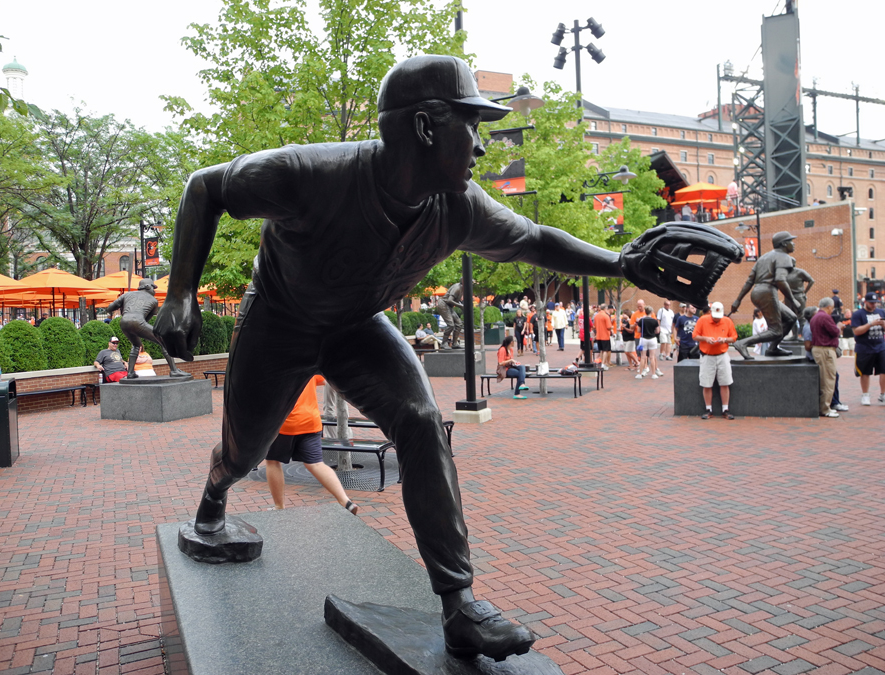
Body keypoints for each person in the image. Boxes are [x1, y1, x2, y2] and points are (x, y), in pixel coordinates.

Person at [153, 54, 735, 662]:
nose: (481, 148)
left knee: (424, 421)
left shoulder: (459, 204)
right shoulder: (311, 172)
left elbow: (534, 239)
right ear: (428, 126)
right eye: (472, 126)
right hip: (280, 321)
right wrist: (180, 295)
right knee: (244, 454)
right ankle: (214, 498)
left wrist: (620, 262)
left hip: (356, 326)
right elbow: (205, 187)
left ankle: (459, 606)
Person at [266, 375, 360, 513]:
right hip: (311, 422)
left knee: (272, 461)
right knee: (316, 464)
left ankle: (279, 506)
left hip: (284, 424)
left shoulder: (277, 367)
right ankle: (345, 501)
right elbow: (325, 380)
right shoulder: (308, 364)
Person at [731, 232, 800, 359]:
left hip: (758, 292)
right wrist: (792, 299)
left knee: (791, 318)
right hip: (767, 292)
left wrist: (738, 300)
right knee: (776, 330)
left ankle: (772, 348)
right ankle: (742, 343)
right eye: (791, 241)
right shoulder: (784, 257)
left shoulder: (763, 258)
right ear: (784, 244)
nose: (793, 244)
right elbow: (780, 280)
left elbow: (749, 281)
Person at [107, 279, 189, 379]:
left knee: (136, 345)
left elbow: (110, 308)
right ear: (147, 287)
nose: (154, 290)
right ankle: (174, 370)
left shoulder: (127, 295)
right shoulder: (154, 301)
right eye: (153, 287)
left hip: (124, 322)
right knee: (164, 340)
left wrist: (123, 305)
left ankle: (130, 373)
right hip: (138, 321)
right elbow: (146, 320)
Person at [692, 302, 737, 419]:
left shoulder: (727, 321)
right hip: (707, 356)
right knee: (706, 384)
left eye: (719, 317)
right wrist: (705, 339)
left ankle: (725, 409)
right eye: (715, 317)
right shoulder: (702, 320)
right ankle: (708, 409)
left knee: (725, 382)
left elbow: (734, 337)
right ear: (710, 312)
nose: (717, 319)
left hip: (722, 355)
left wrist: (725, 339)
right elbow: (695, 336)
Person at [803, 306, 848, 413]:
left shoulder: (813, 325)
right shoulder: (808, 327)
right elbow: (807, 345)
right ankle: (831, 404)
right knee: (828, 379)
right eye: (816, 313)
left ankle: (833, 402)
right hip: (817, 356)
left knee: (832, 377)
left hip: (820, 354)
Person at [809, 298, 842, 418]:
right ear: (829, 307)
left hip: (818, 349)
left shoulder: (815, 317)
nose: (832, 311)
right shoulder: (825, 317)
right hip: (825, 351)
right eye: (832, 308)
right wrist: (838, 328)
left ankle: (824, 407)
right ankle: (825, 408)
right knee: (828, 379)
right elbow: (834, 332)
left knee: (825, 378)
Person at [851, 292, 885, 406]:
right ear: (865, 302)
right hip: (864, 347)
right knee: (865, 372)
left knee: (883, 371)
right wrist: (871, 324)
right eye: (871, 303)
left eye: (876, 302)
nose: (874, 305)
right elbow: (856, 331)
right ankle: (865, 395)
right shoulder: (858, 314)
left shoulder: (881, 312)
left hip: (880, 346)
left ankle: (883, 394)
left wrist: (883, 324)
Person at [436, 281, 464, 349]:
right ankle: (444, 343)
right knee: (451, 325)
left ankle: (454, 343)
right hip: (444, 305)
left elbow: (454, 300)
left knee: (459, 324)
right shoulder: (457, 288)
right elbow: (449, 300)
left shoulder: (462, 289)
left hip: (449, 306)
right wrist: (461, 306)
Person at [636, 306, 661, 379]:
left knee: (643, 357)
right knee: (652, 357)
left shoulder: (642, 320)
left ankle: (640, 374)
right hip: (652, 339)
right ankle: (653, 374)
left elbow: (638, 330)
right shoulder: (655, 321)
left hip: (643, 339)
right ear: (651, 312)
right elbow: (657, 331)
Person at [593, 304, 615, 370]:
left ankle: (602, 362)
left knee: (601, 350)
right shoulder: (606, 316)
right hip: (605, 335)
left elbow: (594, 326)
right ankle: (603, 363)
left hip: (598, 335)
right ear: (605, 309)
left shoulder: (596, 316)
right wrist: (612, 327)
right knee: (605, 350)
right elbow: (608, 327)